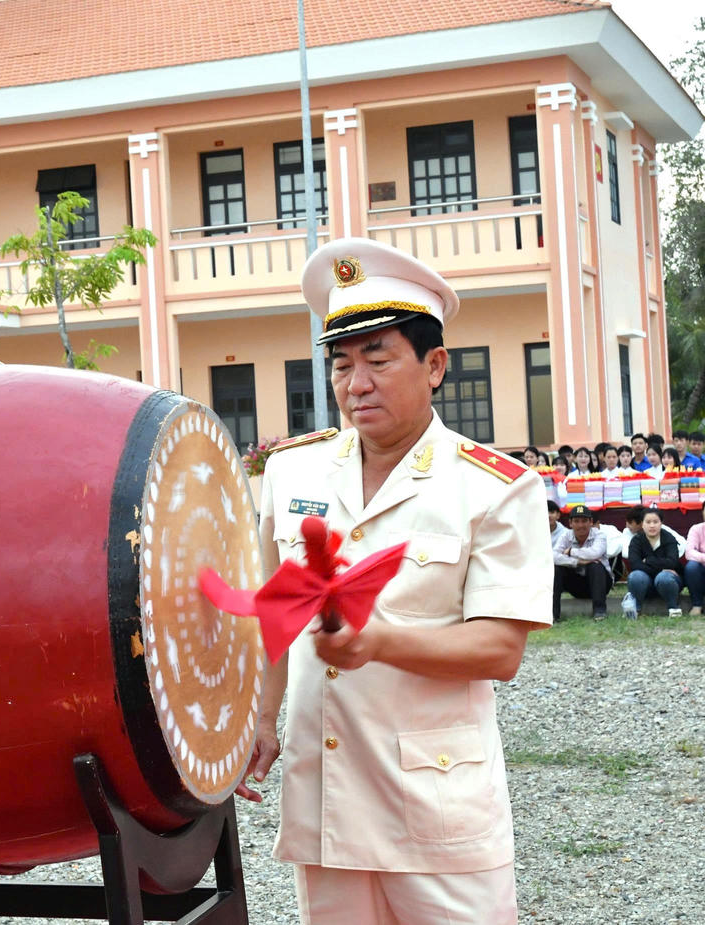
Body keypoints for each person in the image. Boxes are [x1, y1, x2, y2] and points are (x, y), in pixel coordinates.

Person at [246, 238, 551, 924]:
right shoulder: (292, 473)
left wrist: (377, 639)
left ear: (435, 364)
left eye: (379, 359)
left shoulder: (494, 489)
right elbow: (274, 609)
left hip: (435, 807)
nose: (357, 384)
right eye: (342, 364)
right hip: (325, 796)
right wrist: (261, 719)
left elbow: (498, 650)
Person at [552, 504, 611, 620]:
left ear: (591, 522)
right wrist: (576, 562)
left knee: (595, 565)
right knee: (556, 568)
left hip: (602, 584)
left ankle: (600, 612)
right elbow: (553, 556)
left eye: (584, 521)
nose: (580, 525)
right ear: (570, 523)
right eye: (576, 521)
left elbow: (595, 553)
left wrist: (571, 552)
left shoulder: (600, 535)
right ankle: (553, 615)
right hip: (575, 585)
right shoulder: (566, 535)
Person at [626, 509, 684, 616]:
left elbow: (673, 563)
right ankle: (636, 609)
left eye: (655, 522)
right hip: (645, 582)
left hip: (669, 582)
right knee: (635, 576)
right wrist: (661, 568)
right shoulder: (636, 541)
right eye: (648, 522)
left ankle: (673, 608)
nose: (652, 526)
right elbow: (635, 564)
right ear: (642, 524)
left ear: (661, 523)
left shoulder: (669, 538)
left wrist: (648, 560)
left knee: (664, 577)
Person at [683, 519, 705, 617]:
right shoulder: (696, 529)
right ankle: (697, 605)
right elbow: (689, 552)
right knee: (692, 567)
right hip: (702, 568)